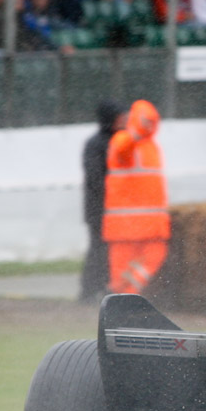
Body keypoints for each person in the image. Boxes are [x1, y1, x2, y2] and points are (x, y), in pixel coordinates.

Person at [103, 99, 170, 295]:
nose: (148, 125)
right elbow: (123, 149)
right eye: (145, 121)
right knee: (120, 273)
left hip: (150, 224)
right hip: (126, 225)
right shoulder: (123, 140)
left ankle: (128, 295)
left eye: (151, 121)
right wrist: (136, 131)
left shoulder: (153, 147)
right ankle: (118, 299)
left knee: (154, 256)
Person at [79, 100, 127, 303]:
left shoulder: (122, 141)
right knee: (98, 250)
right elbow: (95, 178)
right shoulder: (96, 143)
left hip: (115, 210)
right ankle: (89, 290)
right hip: (99, 209)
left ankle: (108, 288)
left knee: (113, 252)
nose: (124, 120)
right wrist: (112, 198)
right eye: (120, 116)